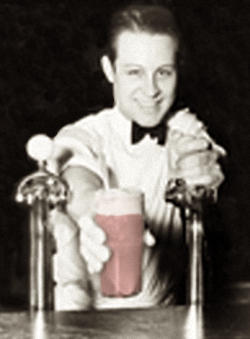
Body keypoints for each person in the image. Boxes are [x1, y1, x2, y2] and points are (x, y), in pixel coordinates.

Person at [49, 4, 226, 310]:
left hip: (163, 323)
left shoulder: (184, 128)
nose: (151, 90)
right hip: (80, 322)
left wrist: (195, 169)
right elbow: (77, 177)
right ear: (109, 69)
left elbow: (204, 157)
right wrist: (93, 216)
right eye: (134, 72)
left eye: (163, 73)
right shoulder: (84, 133)